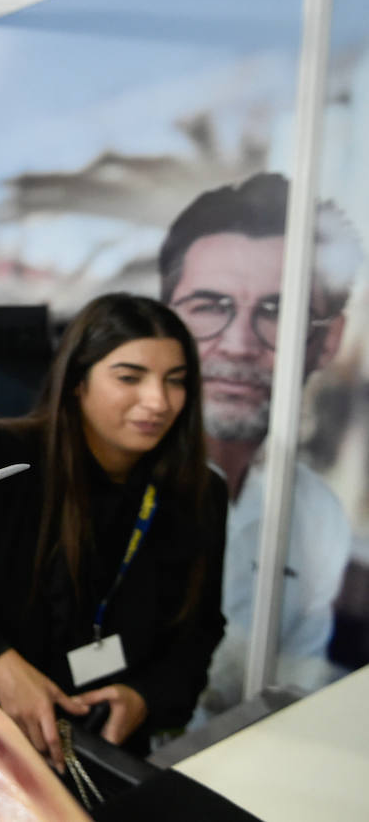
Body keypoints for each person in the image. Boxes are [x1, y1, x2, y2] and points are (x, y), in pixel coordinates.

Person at [0, 293, 227, 771]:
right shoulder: (4, 455)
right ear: (77, 382)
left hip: (102, 748)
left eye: (176, 381)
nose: (158, 401)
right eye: (130, 377)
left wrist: (144, 697)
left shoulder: (199, 492)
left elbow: (201, 629)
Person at [158, 172, 362, 712]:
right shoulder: (90, 485)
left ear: (328, 340)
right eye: (208, 305)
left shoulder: (317, 517)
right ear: (161, 320)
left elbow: (295, 691)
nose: (242, 344)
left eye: (278, 312)